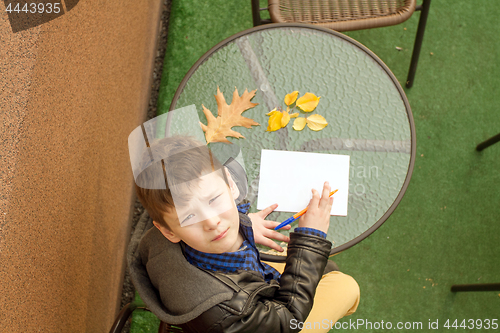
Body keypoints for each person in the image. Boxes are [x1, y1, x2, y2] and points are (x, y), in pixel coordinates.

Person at [132, 135, 360, 332]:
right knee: (346, 287)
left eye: (214, 200)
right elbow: (288, 320)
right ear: (168, 231)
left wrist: (244, 224)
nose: (213, 222)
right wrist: (310, 236)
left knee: (326, 268)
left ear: (230, 183)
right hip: (266, 320)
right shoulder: (223, 312)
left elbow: (197, 206)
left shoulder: (176, 234)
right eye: (190, 217)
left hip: (246, 288)